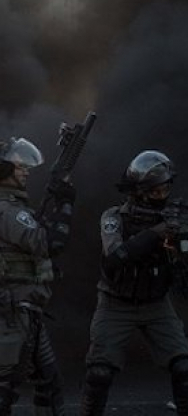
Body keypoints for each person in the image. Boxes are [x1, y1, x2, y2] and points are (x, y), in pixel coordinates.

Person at [0, 138, 76, 416]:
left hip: (19, 310)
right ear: (2, 172)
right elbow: (51, 243)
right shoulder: (6, 211)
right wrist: (66, 202)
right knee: (4, 390)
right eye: (19, 166)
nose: (26, 171)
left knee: (48, 384)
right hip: (14, 313)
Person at [80, 150, 188, 415]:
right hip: (116, 303)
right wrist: (155, 234)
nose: (163, 197)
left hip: (156, 304)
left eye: (165, 190)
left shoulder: (173, 219)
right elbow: (115, 257)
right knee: (99, 372)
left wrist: (181, 244)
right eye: (156, 192)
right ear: (140, 192)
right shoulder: (115, 217)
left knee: (183, 367)